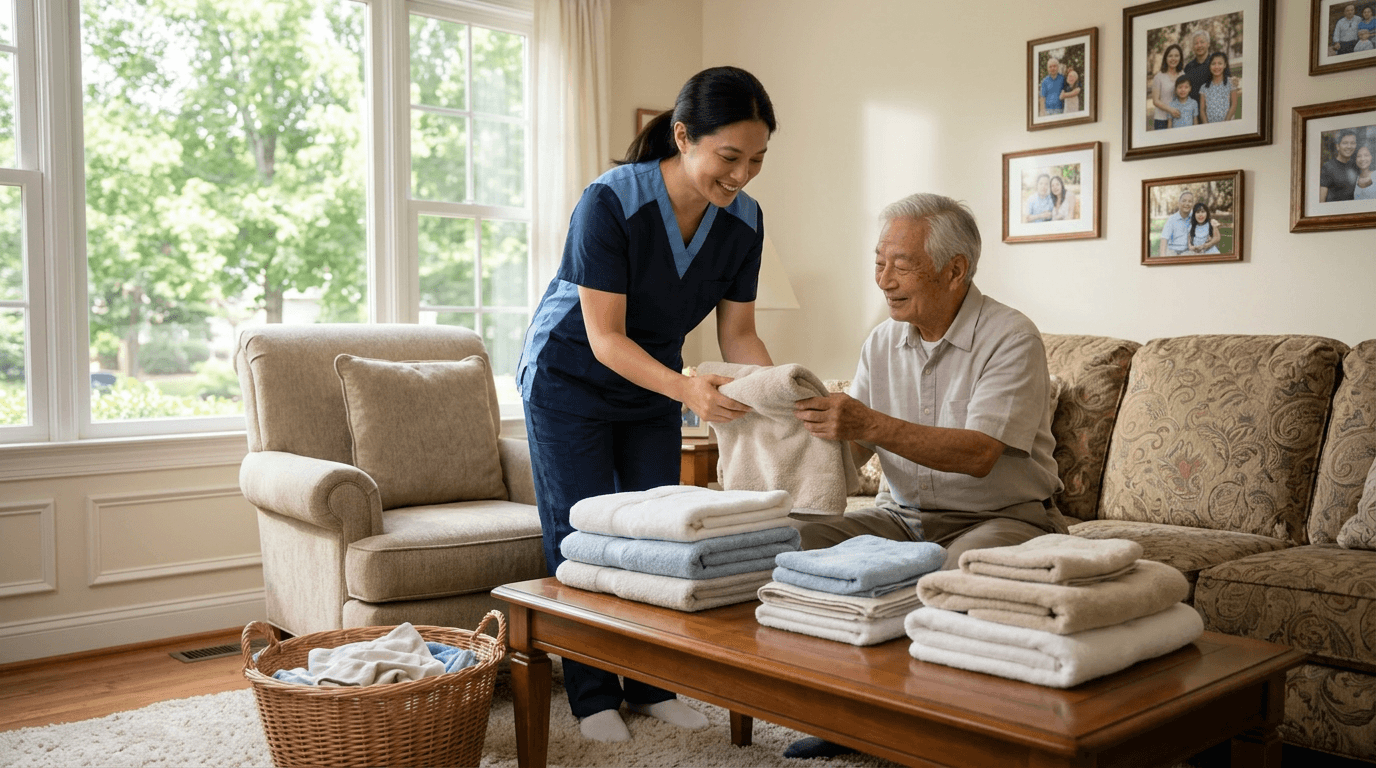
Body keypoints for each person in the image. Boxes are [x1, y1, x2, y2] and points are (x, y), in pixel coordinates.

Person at [516, 65, 778, 744]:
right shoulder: (611, 201)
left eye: (756, 160)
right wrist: (688, 388)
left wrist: (785, 397)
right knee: (581, 533)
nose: (742, 176)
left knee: (655, 533)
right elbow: (604, 337)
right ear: (684, 136)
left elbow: (739, 334)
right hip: (570, 377)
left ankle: (652, 684)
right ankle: (592, 695)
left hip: (653, 382)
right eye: (729, 157)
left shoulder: (743, 221)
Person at [781, 194, 1066, 761]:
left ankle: (942, 730)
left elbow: (980, 453)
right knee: (788, 546)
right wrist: (786, 419)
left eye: (901, 264)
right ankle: (841, 715)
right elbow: (857, 441)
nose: (884, 279)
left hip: (1003, 517)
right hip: (902, 515)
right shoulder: (882, 341)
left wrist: (866, 420)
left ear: (955, 270)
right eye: (879, 261)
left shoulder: (1012, 336)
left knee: (954, 577)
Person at [1151, 44, 1186, 130]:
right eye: (1170, 56)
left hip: (1179, 118)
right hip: (1162, 120)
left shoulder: (1183, 75)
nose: (1173, 59)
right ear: (1165, 58)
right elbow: (1155, 101)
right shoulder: (1159, 77)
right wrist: (1171, 110)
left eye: (1176, 56)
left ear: (1180, 58)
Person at [1199, 51, 1239, 124]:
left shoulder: (1231, 83)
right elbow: (1202, 110)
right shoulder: (1204, 87)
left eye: (1220, 63)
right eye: (1213, 64)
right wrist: (1206, 125)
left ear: (1225, 65)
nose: (1216, 67)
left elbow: (1234, 104)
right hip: (1210, 126)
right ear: (1209, 66)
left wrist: (1226, 122)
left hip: (1227, 124)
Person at [1321, 130, 1360, 202]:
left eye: (1352, 143)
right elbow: (1321, 200)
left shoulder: (1357, 166)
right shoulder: (1328, 167)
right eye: (1345, 143)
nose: (1349, 146)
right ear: (1337, 146)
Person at [1182, 29, 1214, 106]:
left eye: (1202, 42)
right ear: (1193, 47)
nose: (1199, 45)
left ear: (1208, 44)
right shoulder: (1188, 68)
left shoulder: (1216, 64)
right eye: (1196, 43)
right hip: (1194, 113)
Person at [1159, 190, 1196, 257]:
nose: (1187, 204)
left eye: (1190, 201)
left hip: (1187, 251)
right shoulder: (1172, 219)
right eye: (1184, 201)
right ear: (1179, 203)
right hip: (1172, 251)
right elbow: (1164, 238)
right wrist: (1162, 255)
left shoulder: (1194, 218)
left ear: (1192, 204)